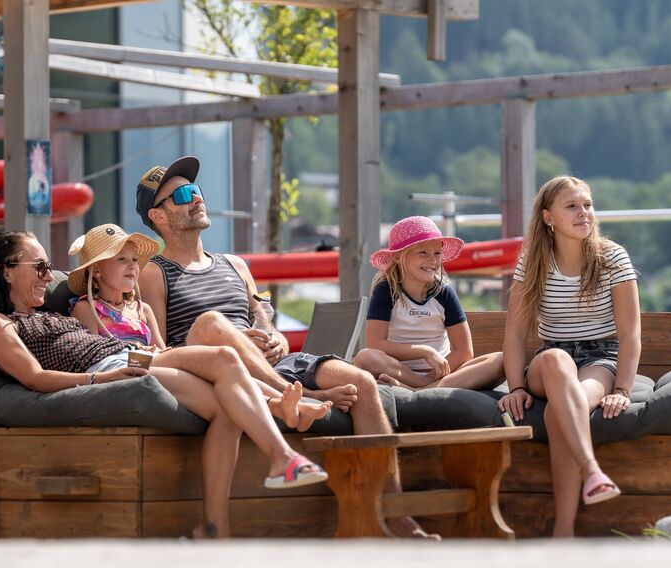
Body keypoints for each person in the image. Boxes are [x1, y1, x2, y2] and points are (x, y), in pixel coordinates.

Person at [135, 156, 433, 539]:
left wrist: (268, 331)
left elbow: (260, 309)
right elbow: (166, 348)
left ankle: (391, 515)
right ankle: (301, 396)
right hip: (218, 362)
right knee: (210, 324)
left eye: (197, 190)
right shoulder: (154, 273)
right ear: (158, 217)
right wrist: (235, 338)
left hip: (271, 362)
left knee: (363, 383)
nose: (197, 198)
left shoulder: (235, 264)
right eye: (182, 195)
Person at [0, 230, 328, 538]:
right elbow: (34, 378)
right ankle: (282, 446)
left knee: (226, 408)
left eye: (48, 267)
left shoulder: (50, 313)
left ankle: (214, 529)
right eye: (39, 267)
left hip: (131, 356)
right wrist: (100, 379)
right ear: (6, 270)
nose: (48, 276)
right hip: (113, 365)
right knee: (222, 357)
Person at [67, 223, 332, 432]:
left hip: (154, 359)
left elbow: (161, 348)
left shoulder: (141, 309)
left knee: (227, 368)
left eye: (134, 259)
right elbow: (95, 353)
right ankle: (289, 399)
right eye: (121, 260)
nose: (132, 266)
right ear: (97, 271)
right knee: (220, 362)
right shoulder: (86, 309)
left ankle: (282, 400)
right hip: (127, 363)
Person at [498, 175, 639, 537]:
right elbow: (515, 333)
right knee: (558, 361)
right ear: (548, 217)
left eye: (588, 205)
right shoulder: (532, 261)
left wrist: (622, 390)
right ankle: (592, 471)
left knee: (562, 409)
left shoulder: (612, 258)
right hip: (549, 360)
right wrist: (515, 386)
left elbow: (629, 334)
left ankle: (563, 534)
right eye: (572, 206)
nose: (584, 213)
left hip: (599, 359)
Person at [352, 216, 505, 391]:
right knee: (365, 358)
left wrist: (437, 372)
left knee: (500, 360)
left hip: (441, 373)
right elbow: (375, 344)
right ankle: (426, 388)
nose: (432, 260)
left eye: (437, 253)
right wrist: (424, 351)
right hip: (399, 371)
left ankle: (417, 390)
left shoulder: (444, 292)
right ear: (396, 256)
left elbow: (464, 351)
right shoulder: (385, 290)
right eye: (423, 252)